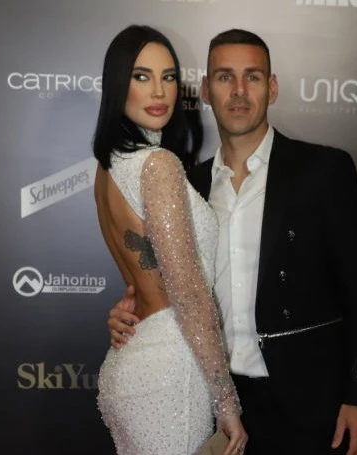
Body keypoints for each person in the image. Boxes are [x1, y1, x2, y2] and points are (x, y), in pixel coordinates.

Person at [108, 29, 357, 455]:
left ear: (272, 88)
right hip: (215, 405)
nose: (239, 91)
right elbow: (167, 285)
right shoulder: (187, 184)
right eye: (225, 77)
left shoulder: (323, 170)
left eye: (252, 77)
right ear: (205, 90)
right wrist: (130, 313)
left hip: (312, 402)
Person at [92, 25, 247, 455]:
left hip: (131, 358)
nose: (159, 91)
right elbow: (189, 292)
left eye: (169, 77)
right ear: (117, 84)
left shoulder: (106, 169)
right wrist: (226, 401)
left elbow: (142, 275)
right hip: (171, 369)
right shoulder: (158, 165)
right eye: (141, 76)